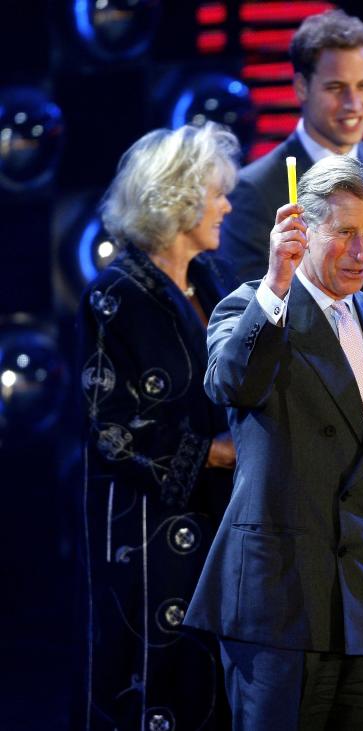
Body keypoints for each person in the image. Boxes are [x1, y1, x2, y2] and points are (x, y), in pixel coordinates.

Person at [184, 154, 363, 730]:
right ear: (302, 231)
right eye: (344, 234)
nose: (361, 252)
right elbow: (232, 383)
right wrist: (277, 285)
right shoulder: (251, 307)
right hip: (281, 604)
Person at [218, 9, 363, 538]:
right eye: (336, 87)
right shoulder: (258, 188)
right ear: (300, 86)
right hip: (300, 458)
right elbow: (244, 326)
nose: (353, 103)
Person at [78, 122, 239, 731]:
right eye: (216, 192)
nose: (227, 204)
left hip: (220, 521)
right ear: (177, 197)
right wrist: (213, 453)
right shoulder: (113, 296)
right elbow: (110, 431)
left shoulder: (214, 280)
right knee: (155, 691)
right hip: (145, 531)